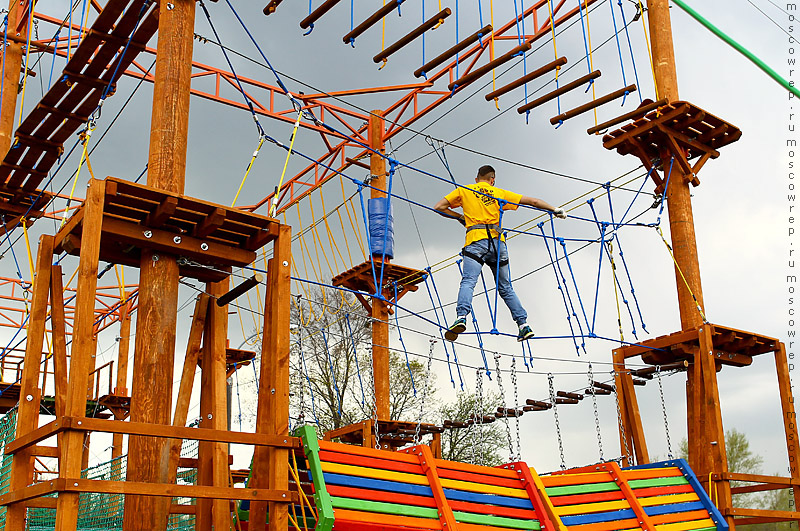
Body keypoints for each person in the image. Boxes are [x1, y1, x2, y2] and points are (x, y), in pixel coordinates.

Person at [433, 165, 567, 342]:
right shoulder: (498, 192)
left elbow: (438, 207)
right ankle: (523, 324)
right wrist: (554, 209)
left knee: (469, 281)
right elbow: (532, 202)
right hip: (498, 244)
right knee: (505, 287)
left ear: (477, 178)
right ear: (492, 179)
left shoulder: (464, 190)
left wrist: (460, 217)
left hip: (475, 242)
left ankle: (462, 317)